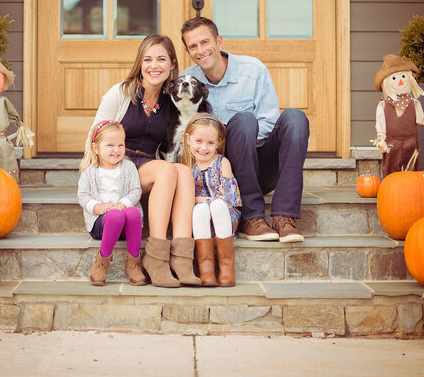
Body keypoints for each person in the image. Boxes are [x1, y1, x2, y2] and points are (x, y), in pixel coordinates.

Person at [180, 17, 310, 243]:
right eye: (193, 46)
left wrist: (239, 137)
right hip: (219, 174)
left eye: (205, 42)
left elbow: (269, 123)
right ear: (188, 51)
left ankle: (284, 217)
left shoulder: (254, 70)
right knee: (243, 121)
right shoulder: (187, 81)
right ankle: (252, 218)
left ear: (219, 41)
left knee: (294, 118)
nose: (200, 50)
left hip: (259, 166)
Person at [88, 34, 201, 288]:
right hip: (117, 167)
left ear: (172, 64)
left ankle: (182, 259)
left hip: (150, 167)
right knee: (167, 171)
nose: (154, 65)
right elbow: (93, 138)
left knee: (182, 171)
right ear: (140, 63)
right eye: (148, 59)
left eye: (161, 59)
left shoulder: (170, 100)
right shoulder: (121, 93)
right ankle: (155, 258)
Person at [78, 120, 145, 286]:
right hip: (101, 224)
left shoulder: (129, 167)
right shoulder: (90, 171)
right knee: (115, 216)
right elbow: (82, 196)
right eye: (110, 145)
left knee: (133, 212)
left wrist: (122, 204)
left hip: (126, 225)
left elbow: (136, 191)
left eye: (120, 145)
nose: (116, 150)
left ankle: (133, 264)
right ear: (96, 148)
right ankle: (101, 262)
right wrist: (98, 207)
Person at [182, 113, 240, 287]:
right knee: (200, 209)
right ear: (188, 139)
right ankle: (206, 270)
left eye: (210, 143)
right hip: (201, 221)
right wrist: (205, 202)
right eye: (198, 141)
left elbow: (229, 197)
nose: (204, 148)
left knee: (217, 205)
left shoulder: (222, 163)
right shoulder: (186, 167)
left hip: (225, 217)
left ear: (218, 143)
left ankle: (227, 268)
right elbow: (184, 200)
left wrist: (203, 200)